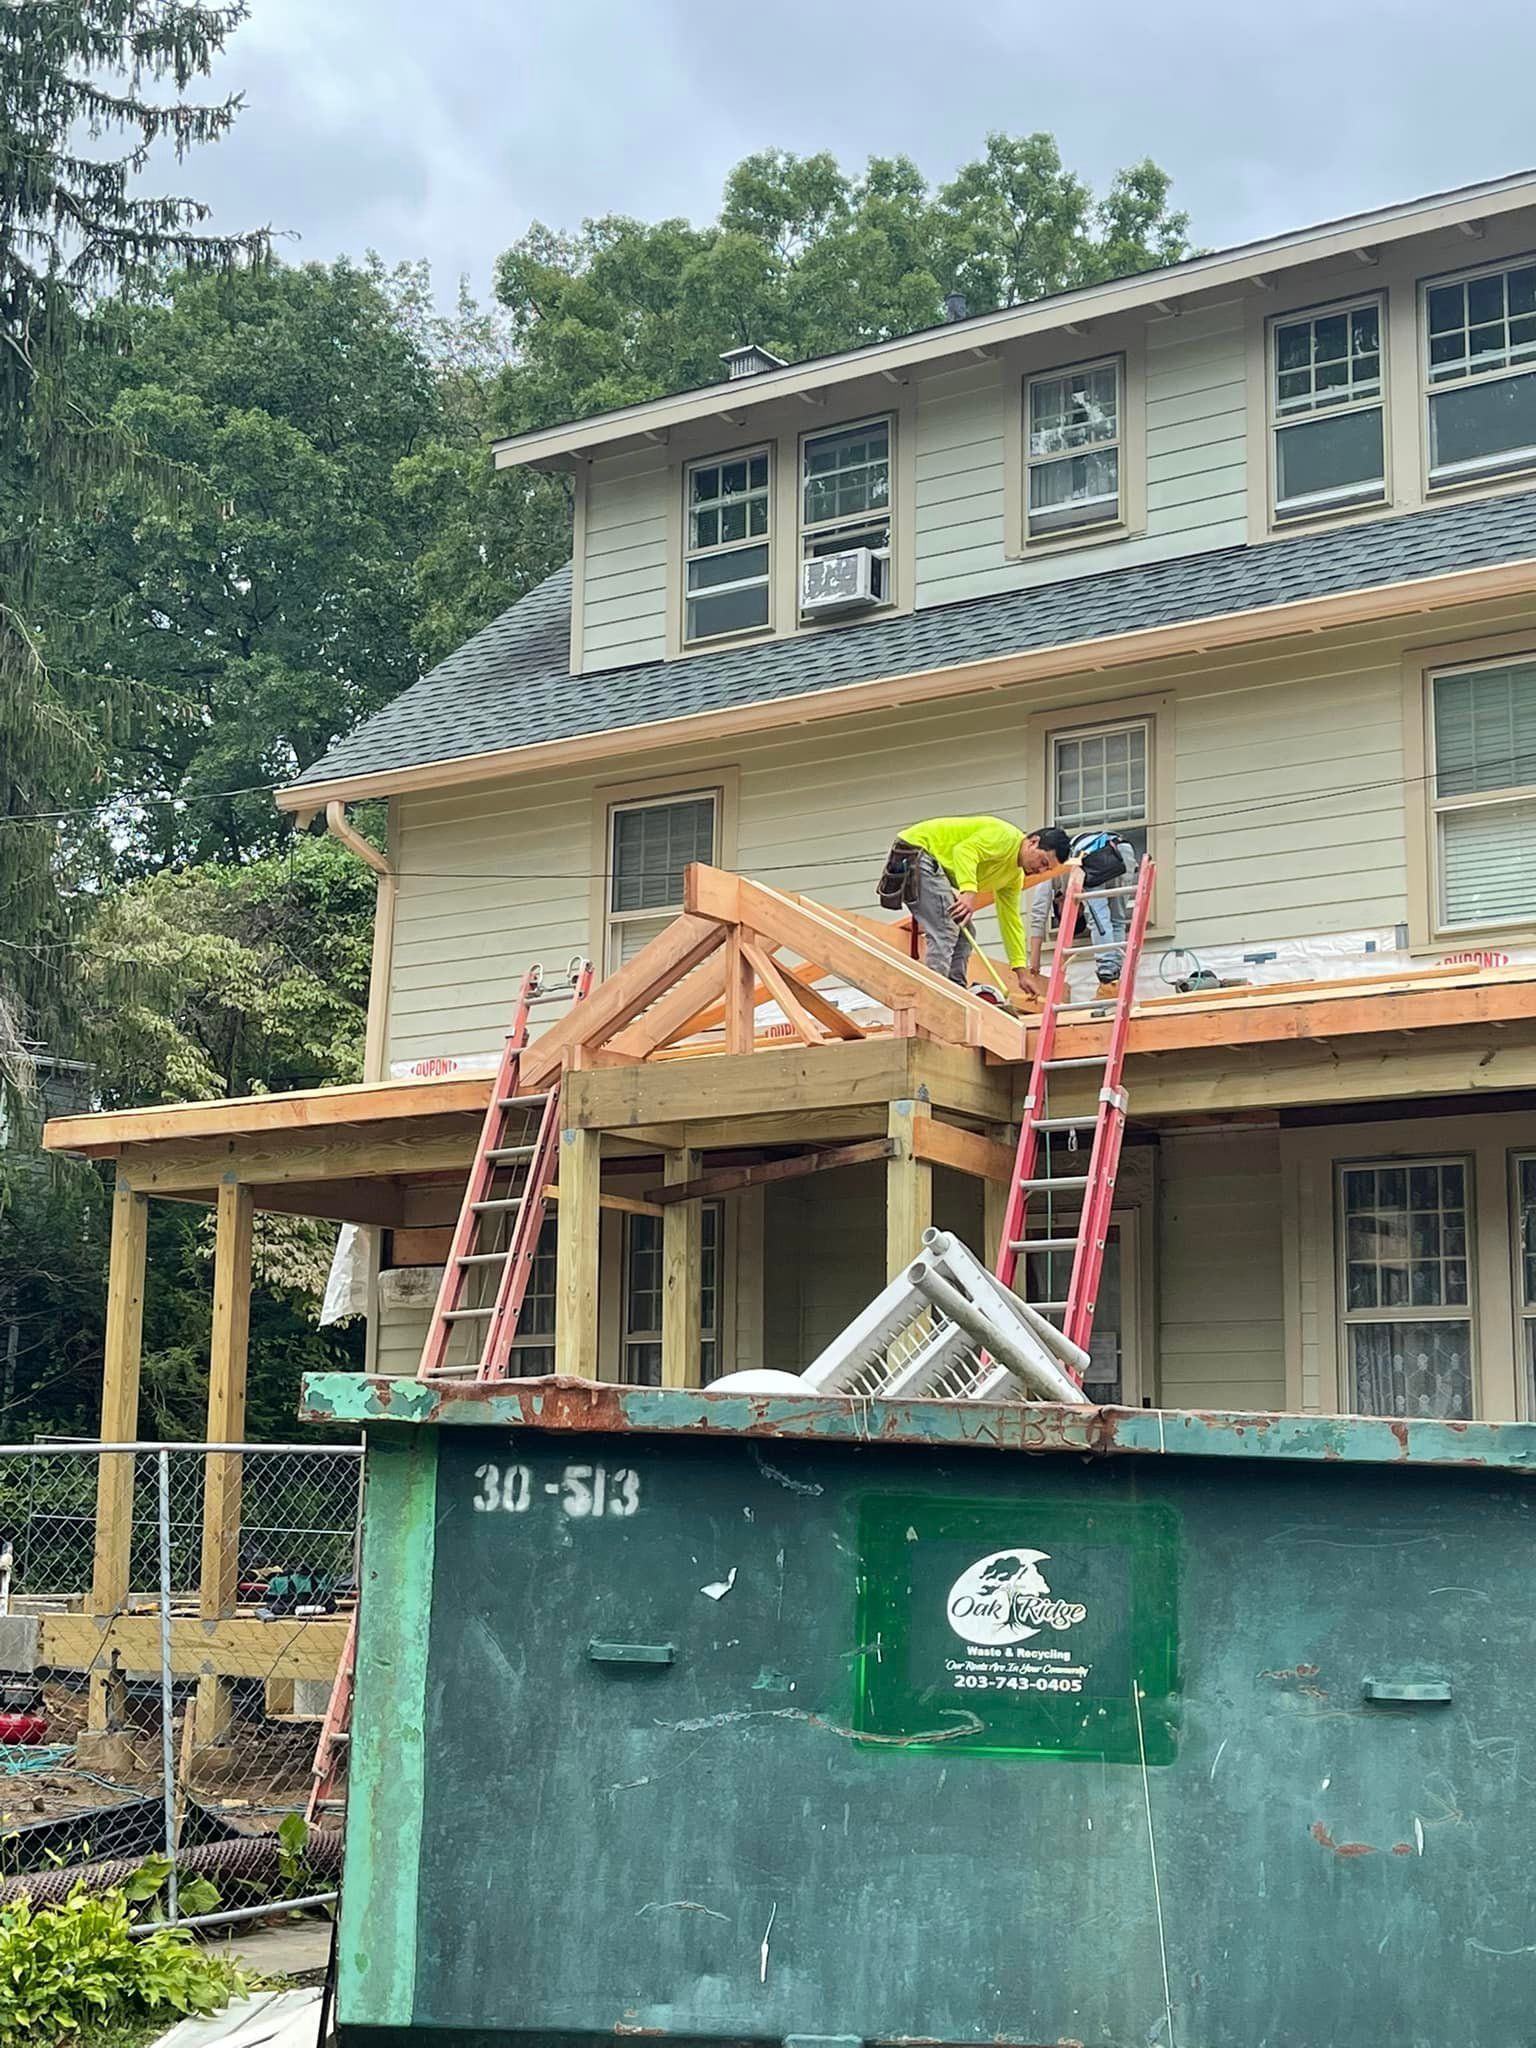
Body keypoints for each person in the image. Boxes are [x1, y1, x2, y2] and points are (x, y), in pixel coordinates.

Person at [878, 816, 1055, 994]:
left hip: (932, 862)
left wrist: (1021, 971)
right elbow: (965, 851)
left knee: (965, 932)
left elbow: (1011, 921)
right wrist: (968, 891)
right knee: (946, 928)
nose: (1040, 870)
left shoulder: (1013, 877)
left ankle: (956, 992)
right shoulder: (1006, 838)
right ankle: (935, 997)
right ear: (1033, 842)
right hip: (917, 850)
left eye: (1046, 869)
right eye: (1043, 862)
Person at [1024, 825, 1140, 998]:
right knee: (1116, 920)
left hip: (1092, 855)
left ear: (1058, 903)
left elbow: (1038, 915)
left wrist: (1034, 962)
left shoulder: (1051, 871)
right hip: (1123, 851)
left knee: (1099, 921)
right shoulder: (1060, 876)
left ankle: (1108, 979)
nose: (1079, 908)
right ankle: (1114, 982)